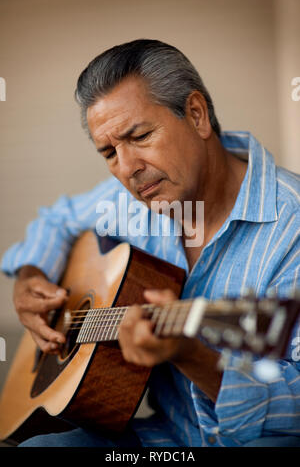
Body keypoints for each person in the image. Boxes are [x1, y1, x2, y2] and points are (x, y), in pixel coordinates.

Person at [1, 39, 300, 447]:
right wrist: (30, 276)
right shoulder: (136, 198)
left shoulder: (292, 224)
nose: (127, 169)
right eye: (108, 152)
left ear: (196, 115)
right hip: (159, 438)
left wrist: (193, 356)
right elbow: (57, 219)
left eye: (139, 136)